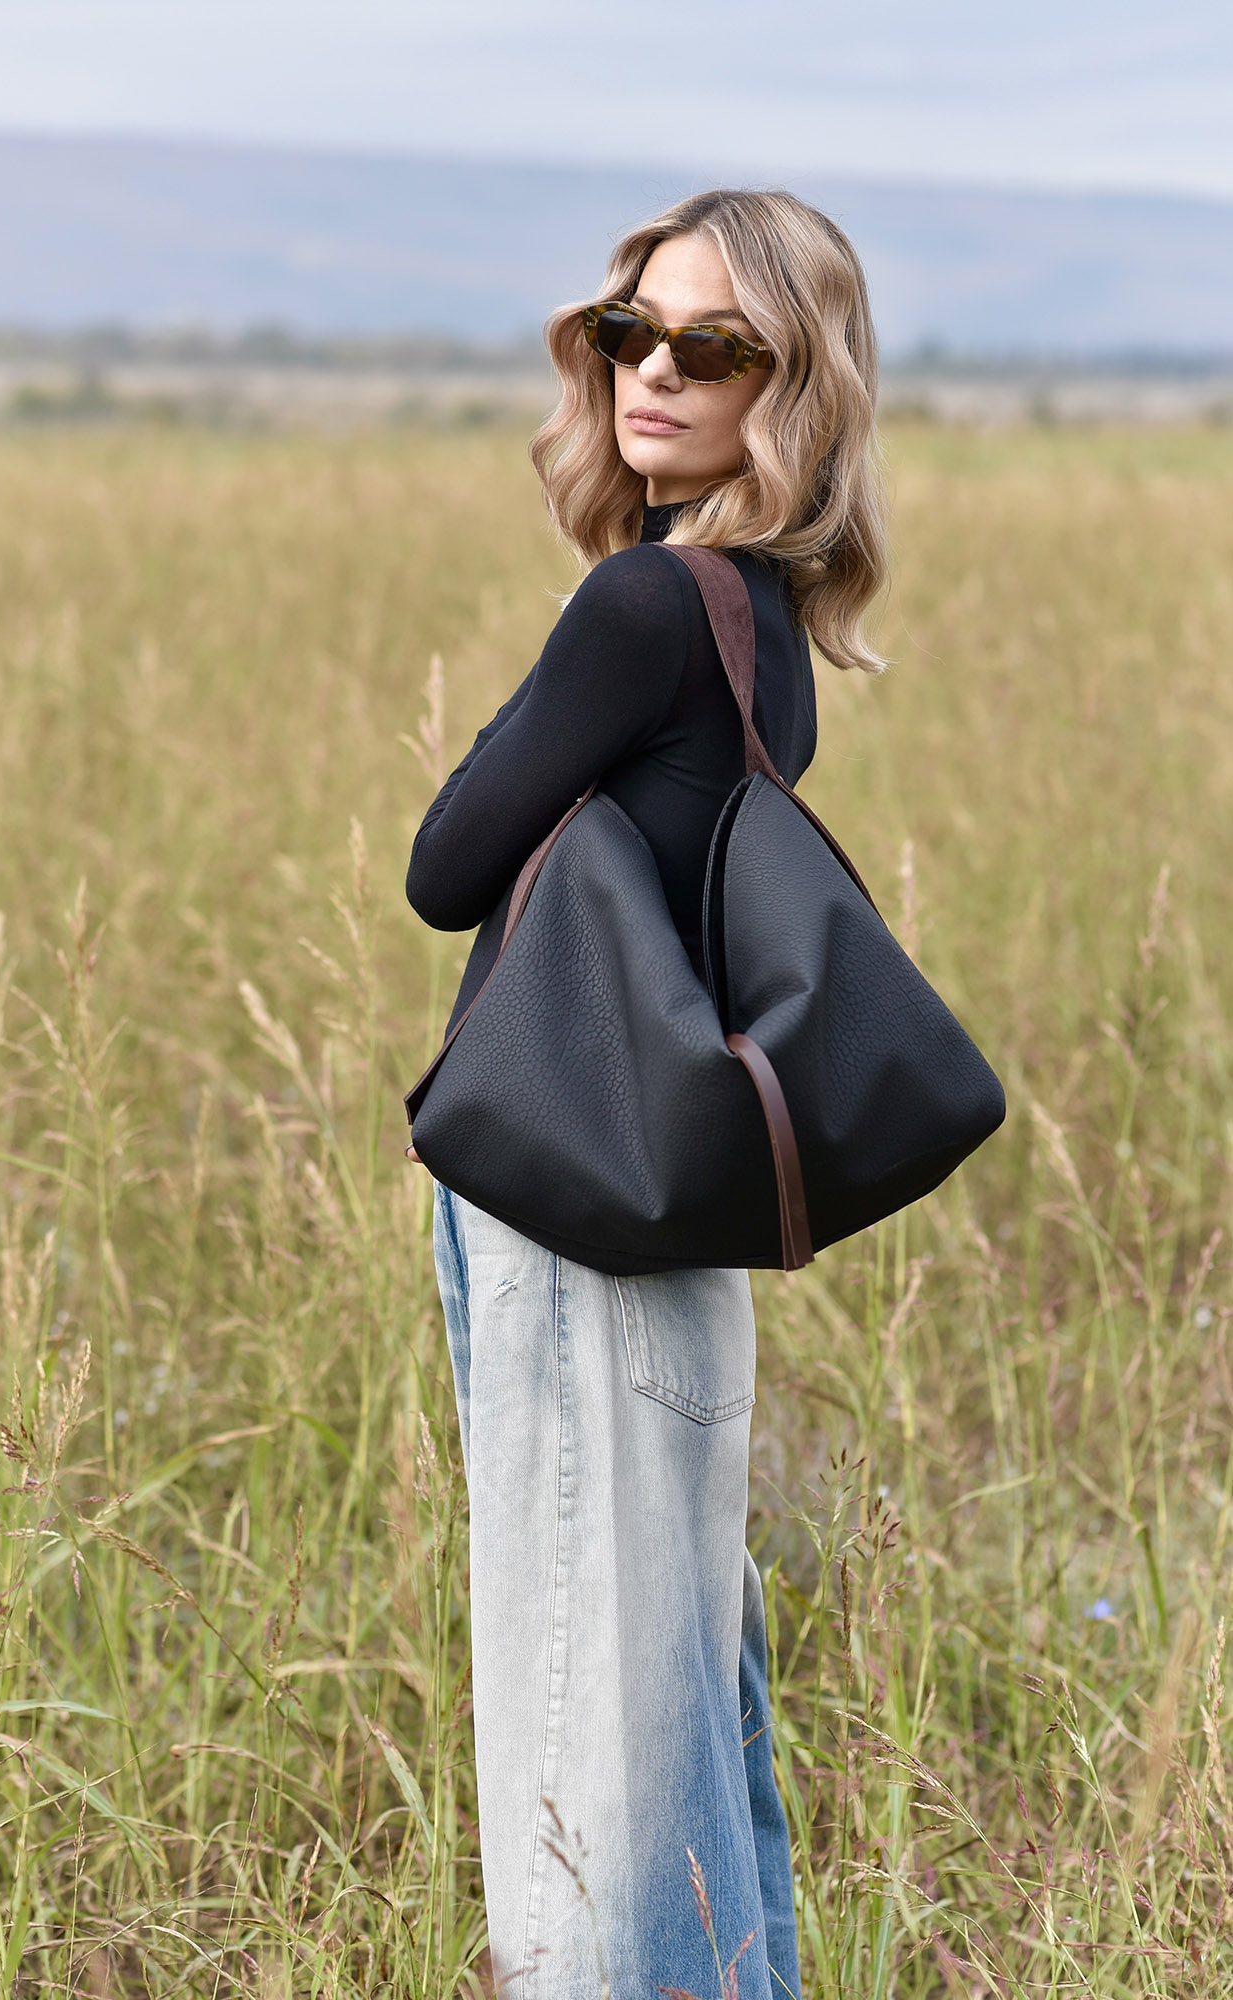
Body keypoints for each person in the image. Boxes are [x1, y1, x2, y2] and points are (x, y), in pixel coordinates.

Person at [405, 188, 887, 2000]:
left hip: (571, 1199)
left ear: (795, 388)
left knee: (585, 1717)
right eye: (630, 334)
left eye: (715, 347)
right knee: (681, 1692)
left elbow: (446, 866)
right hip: (670, 1208)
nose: (654, 373)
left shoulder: (638, 604)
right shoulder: (762, 615)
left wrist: (562, 656)